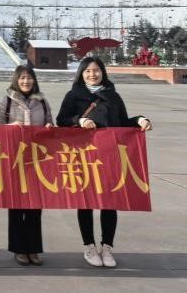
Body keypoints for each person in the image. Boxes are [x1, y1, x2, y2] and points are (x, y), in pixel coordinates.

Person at [56, 56, 153, 268]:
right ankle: (89, 246)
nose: (92, 74)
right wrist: (80, 120)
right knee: (86, 202)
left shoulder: (113, 96)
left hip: (109, 156)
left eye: (96, 70)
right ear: (81, 74)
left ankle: (107, 247)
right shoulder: (73, 95)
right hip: (84, 157)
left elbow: (123, 122)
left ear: (103, 73)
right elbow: (61, 120)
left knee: (110, 202)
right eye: (88, 71)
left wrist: (140, 119)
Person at [0, 65, 53, 267]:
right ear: (16, 80)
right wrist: (10, 127)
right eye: (22, 78)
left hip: (38, 160)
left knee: (35, 207)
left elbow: (50, 124)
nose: (26, 81)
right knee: (17, 206)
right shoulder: (7, 100)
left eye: (29, 78)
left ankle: (33, 249)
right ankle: (19, 249)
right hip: (14, 160)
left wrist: (49, 127)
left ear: (34, 80)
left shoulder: (42, 101)